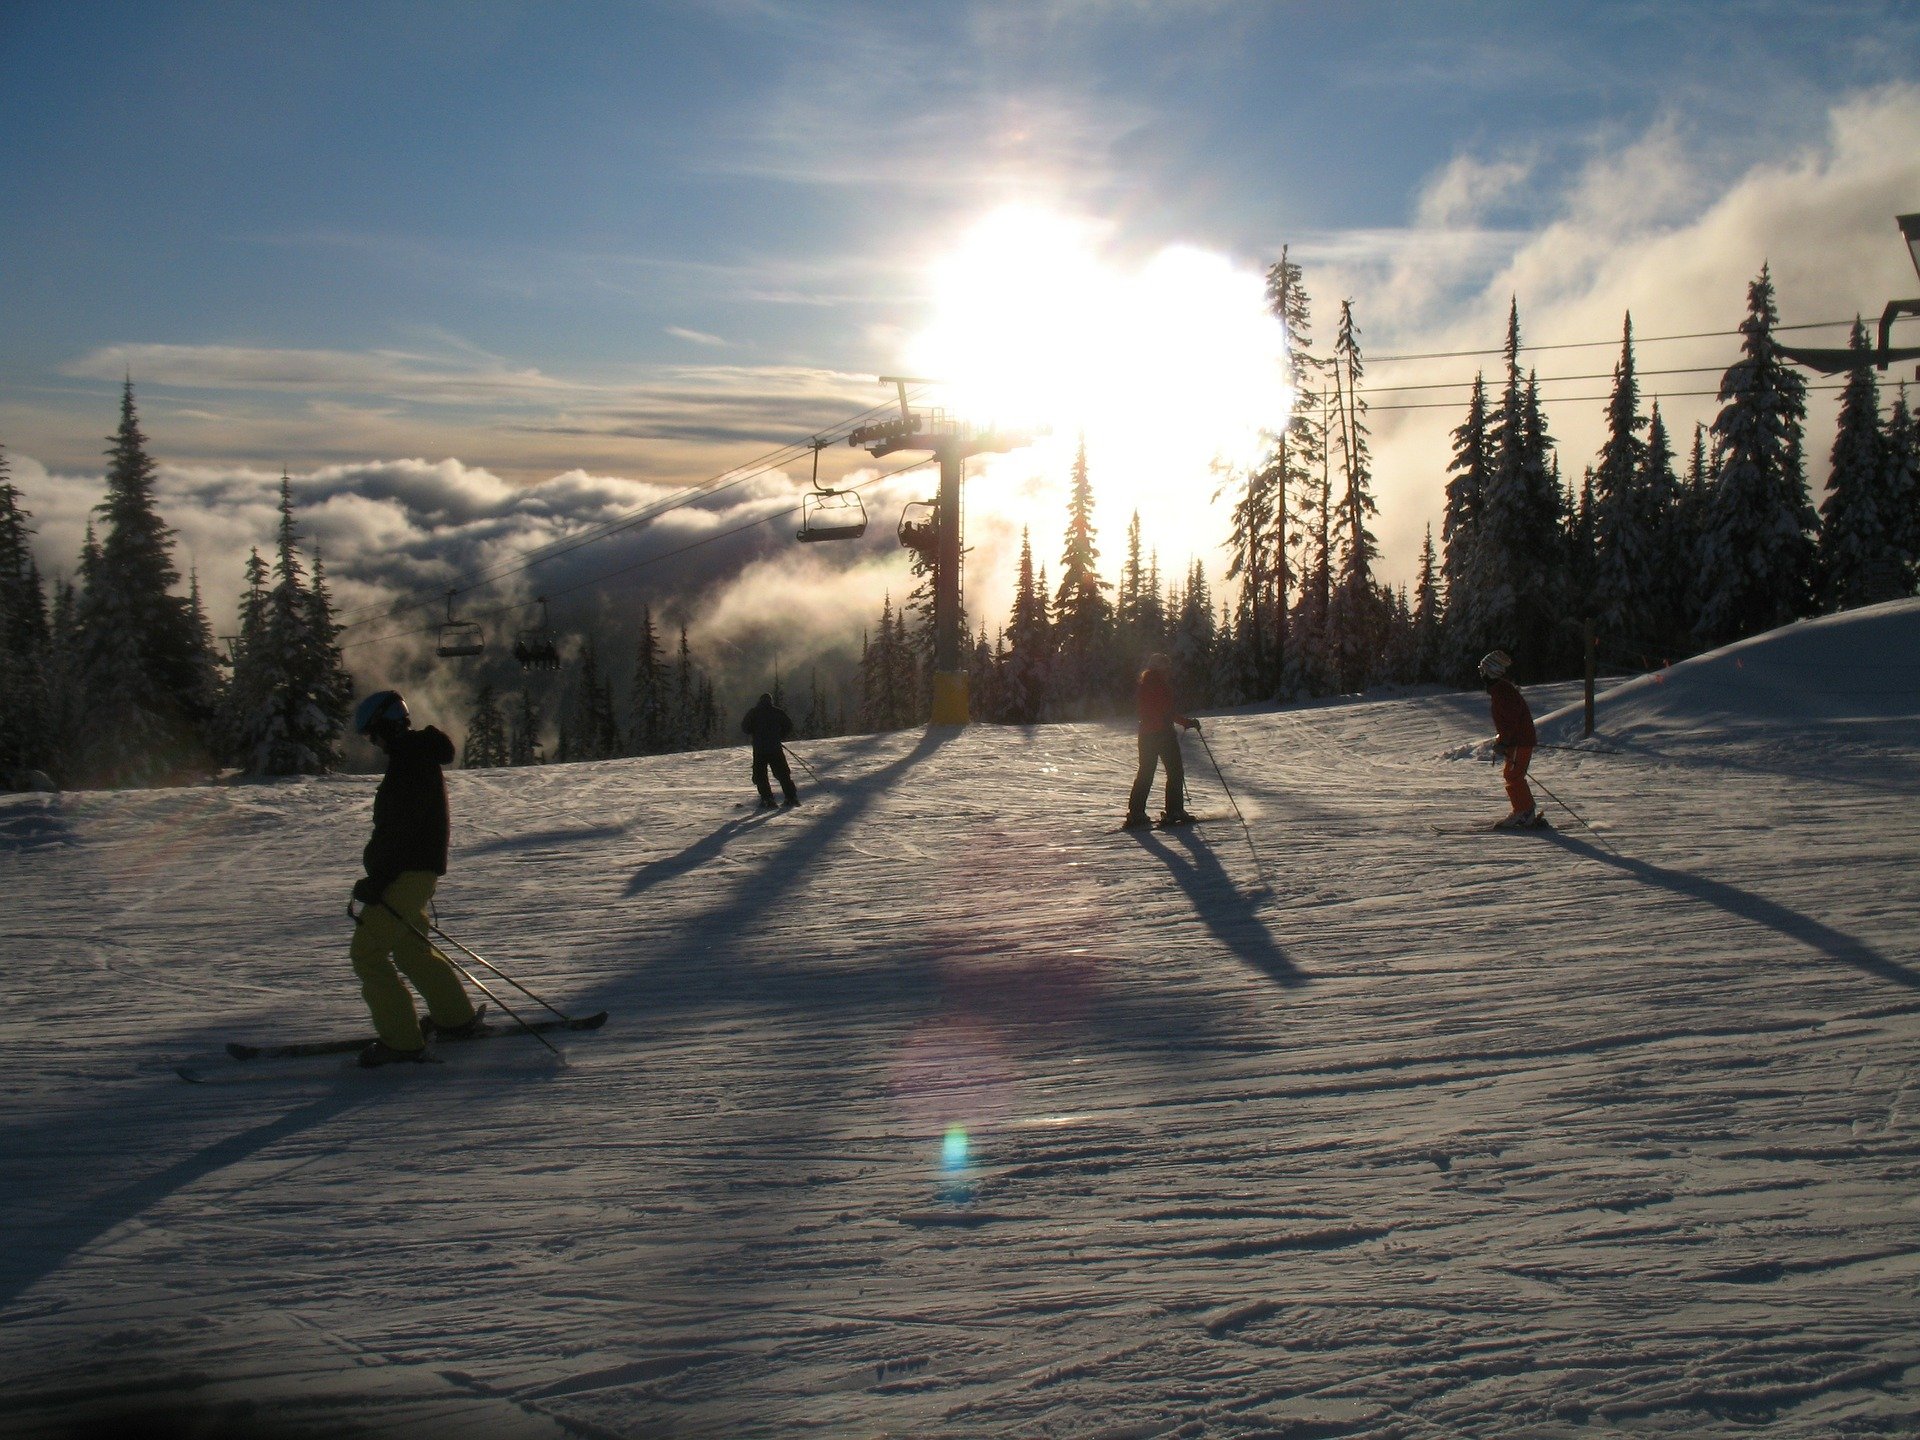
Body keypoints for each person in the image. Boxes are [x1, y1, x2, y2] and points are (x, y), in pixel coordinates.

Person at [348, 690, 482, 1067]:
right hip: (415, 874)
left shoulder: (408, 764)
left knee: (367, 954)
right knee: (409, 946)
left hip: (404, 876)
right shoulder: (417, 757)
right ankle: (455, 1018)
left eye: (373, 734)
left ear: (386, 726)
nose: (373, 743)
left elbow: (398, 831)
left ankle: (403, 1043)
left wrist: (377, 880)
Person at [1124, 652, 1199, 828]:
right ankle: (1174, 811)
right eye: (1167, 668)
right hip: (1163, 735)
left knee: (1145, 773)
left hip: (1146, 735)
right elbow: (1167, 712)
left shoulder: (1144, 684)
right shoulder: (1160, 685)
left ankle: (1136, 812)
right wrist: (1187, 722)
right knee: (1175, 772)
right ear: (1161, 668)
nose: (1169, 671)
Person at [1480, 650, 1543, 829]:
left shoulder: (1502, 692)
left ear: (1492, 671)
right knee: (1513, 774)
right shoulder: (1500, 690)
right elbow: (1508, 721)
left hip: (1519, 741)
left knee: (1514, 775)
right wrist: (1503, 739)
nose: (1481, 674)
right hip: (1518, 740)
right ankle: (1524, 810)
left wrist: (1505, 741)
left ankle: (1524, 812)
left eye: (1483, 670)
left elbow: (1511, 720)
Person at [741, 691, 798, 809]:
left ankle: (767, 799)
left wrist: (755, 732)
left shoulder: (754, 712)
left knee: (760, 775)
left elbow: (745, 728)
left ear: (760, 701)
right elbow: (789, 725)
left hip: (759, 749)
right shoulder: (777, 712)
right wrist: (779, 736)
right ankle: (791, 797)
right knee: (783, 773)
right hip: (775, 748)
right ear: (770, 701)